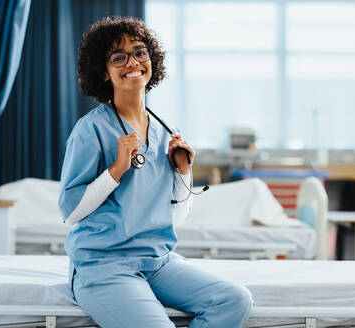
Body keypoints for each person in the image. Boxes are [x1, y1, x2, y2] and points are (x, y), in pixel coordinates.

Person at [58, 16, 253, 328]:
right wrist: (118, 168)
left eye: (140, 52)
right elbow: (70, 213)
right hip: (104, 266)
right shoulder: (91, 129)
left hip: (158, 262)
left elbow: (173, 218)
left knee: (233, 300)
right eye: (118, 57)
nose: (132, 62)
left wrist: (183, 171)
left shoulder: (166, 131)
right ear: (103, 72)